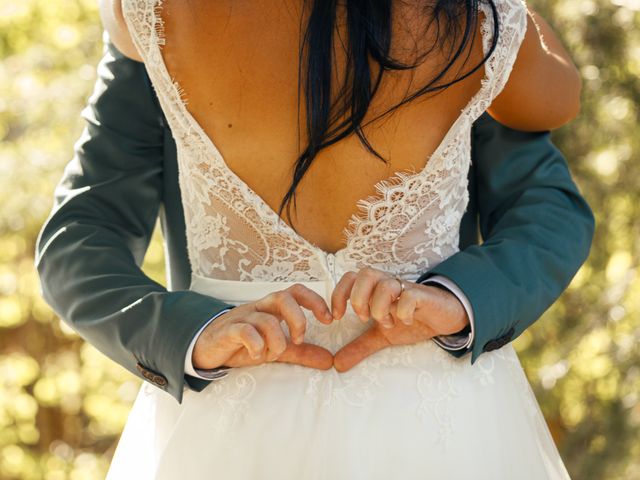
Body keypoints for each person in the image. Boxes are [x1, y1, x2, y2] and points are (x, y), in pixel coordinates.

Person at [34, 0, 594, 478]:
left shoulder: (469, 24)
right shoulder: (480, 24)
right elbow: (81, 234)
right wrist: (186, 334)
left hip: (424, 424)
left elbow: (547, 207)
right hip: (241, 422)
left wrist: (461, 299)